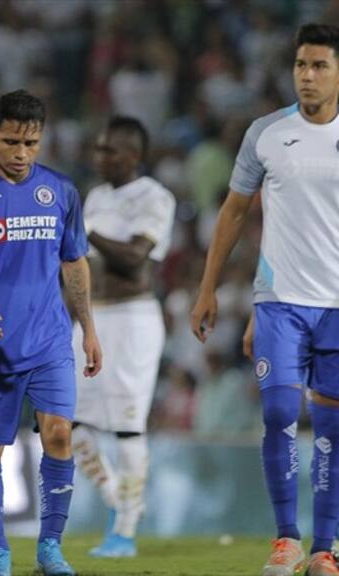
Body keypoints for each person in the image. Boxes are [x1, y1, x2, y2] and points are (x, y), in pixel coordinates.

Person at [191, 23, 339, 576]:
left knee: (332, 430)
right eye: (301, 65)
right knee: (278, 412)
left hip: (337, 307)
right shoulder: (267, 132)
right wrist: (208, 287)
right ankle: (285, 539)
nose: (307, 75)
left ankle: (326, 549)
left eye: (320, 65)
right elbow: (233, 211)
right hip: (279, 300)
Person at [0, 89, 102, 576]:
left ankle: (50, 548)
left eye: (30, 143)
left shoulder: (61, 191)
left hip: (50, 338)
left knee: (58, 435)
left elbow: (73, 263)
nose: (20, 153)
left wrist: (89, 329)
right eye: (11, 141)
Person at [70, 116, 175, 558]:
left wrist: (82, 228)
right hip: (92, 320)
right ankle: (121, 500)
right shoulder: (94, 195)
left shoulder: (154, 197)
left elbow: (134, 257)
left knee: (128, 428)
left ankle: (125, 533)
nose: (100, 156)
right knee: (69, 426)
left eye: (110, 149)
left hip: (133, 319)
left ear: (133, 154)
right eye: (98, 148)